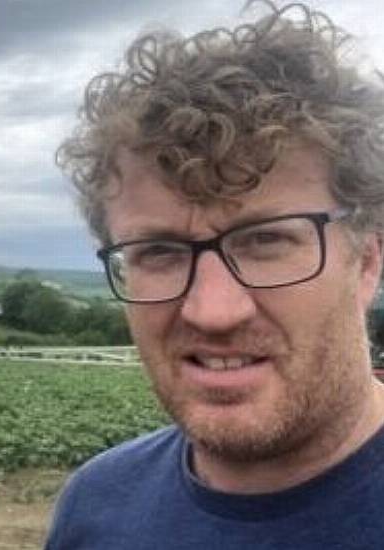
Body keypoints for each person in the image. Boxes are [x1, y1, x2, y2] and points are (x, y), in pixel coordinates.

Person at [46, 2, 384, 549]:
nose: (212, 310)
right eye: (159, 251)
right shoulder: (95, 508)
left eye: (266, 240)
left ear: (367, 260)